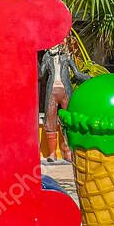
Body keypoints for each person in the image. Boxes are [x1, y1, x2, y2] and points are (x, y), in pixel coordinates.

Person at [40, 34, 90, 162]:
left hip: (65, 92)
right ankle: (52, 154)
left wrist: (89, 78)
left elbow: (77, 74)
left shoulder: (66, 57)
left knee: (68, 120)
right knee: (50, 121)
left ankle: (67, 152)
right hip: (51, 92)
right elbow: (40, 74)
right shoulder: (46, 57)